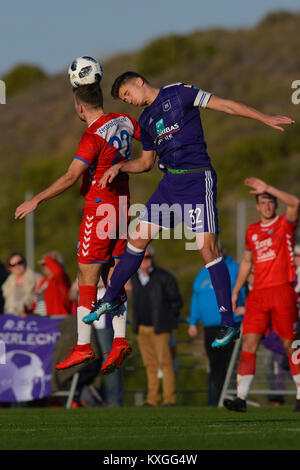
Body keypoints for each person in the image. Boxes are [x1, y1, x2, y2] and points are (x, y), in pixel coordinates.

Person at [82, 71, 294, 350]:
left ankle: (228, 324)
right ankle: (110, 298)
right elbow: (146, 163)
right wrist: (120, 166)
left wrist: (264, 117)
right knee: (137, 238)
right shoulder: (145, 121)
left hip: (197, 179)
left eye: (127, 94)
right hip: (169, 184)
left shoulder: (179, 93)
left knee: (206, 247)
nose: (129, 101)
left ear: (139, 82)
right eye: (124, 100)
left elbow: (226, 105)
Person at [15, 79, 140, 374]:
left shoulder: (92, 136)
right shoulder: (124, 120)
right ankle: (120, 340)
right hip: (123, 205)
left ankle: (83, 346)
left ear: (79, 107)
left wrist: (38, 199)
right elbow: (146, 136)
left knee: (87, 272)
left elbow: (71, 177)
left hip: (100, 208)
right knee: (115, 273)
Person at [224, 177, 300, 412]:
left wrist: (268, 188)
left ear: (275, 204)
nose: (267, 205)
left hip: (282, 290)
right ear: (257, 206)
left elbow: (296, 203)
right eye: (263, 202)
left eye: (270, 201)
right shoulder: (252, 231)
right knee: (249, 342)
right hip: (257, 294)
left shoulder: (284, 224)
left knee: (291, 345)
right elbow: (247, 262)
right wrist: (236, 291)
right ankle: (241, 398)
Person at [188, 245, 246, 405]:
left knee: (233, 362)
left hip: (231, 324)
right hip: (210, 328)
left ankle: (237, 397)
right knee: (216, 363)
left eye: (218, 250)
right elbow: (196, 297)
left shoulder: (235, 268)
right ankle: (220, 397)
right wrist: (192, 322)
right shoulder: (202, 273)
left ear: (223, 251)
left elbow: (246, 289)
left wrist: (247, 308)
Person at [128, 245, 182, 406]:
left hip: (160, 328)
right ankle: (152, 398)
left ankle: (169, 398)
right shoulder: (134, 278)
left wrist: (167, 318)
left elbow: (176, 302)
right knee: (150, 364)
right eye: (142, 258)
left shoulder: (164, 277)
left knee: (165, 362)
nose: (145, 261)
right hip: (142, 328)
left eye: (147, 257)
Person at [2, 252, 42, 317]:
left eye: (19, 263)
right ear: (9, 268)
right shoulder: (7, 283)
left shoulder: (35, 278)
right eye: (13, 265)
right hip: (12, 317)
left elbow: (41, 300)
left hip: (32, 317)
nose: (17, 266)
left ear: (24, 263)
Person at [33, 251, 71, 316]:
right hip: (41, 318)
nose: (44, 267)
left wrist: (48, 258)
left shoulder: (61, 279)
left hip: (56, 319)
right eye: (43, 265)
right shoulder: (44, 281)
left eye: (46, 264)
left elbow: (58, 272)